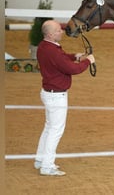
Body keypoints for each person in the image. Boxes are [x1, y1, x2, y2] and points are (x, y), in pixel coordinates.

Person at [34, 20, 95, 176]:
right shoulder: (53, 51)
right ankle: (47, 166)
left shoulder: (44, 46)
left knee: (49, 128)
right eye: (58, 30)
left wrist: (75, 55)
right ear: (50, 34)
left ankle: (40, 160)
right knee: (55, 130)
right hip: (57, 96)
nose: (61, 31)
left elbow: (61, 59)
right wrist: (88, 61)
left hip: (48, 92)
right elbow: (71, 69)